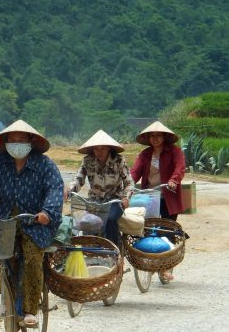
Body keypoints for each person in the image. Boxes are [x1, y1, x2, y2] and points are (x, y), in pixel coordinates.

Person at [0, 119, 63, 327]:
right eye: (12, 140)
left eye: (21, 140)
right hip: (5, 218)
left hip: (36, 223)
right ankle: (6, 298)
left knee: (32, 257)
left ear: (30, 142)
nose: (16, 144)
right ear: (6, 143)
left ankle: (29, 309)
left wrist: (47, 212)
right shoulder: (0, 163)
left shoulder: (45, 165)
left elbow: (55, 190)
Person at [130, 120, 186, 281]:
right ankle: (148, 259)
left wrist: (174, 180)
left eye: (158, 135)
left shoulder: (175, 152)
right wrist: (128, 184)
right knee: (147, 229)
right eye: (151, 136)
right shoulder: (145, 154)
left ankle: (166, 268)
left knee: (166, 231)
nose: (154, 139)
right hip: (149, 197)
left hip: (168, 195)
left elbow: (179, 168)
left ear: (164, 137)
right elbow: (135, 172)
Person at [64, 130, 133, 247]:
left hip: (114, 201)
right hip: (94, 201)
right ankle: (88, 250)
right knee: (83, 222)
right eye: (96, 149)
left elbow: (129, 183)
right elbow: (78, 179)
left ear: (109, 149)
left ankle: (113, 251)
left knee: (110, 220)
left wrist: (126, 197)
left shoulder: (119, 161)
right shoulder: (87, 161)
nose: (99, 152)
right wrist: (69, 191)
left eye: (103, 149)